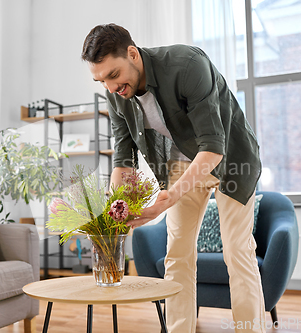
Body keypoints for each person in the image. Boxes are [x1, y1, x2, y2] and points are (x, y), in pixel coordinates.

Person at [81, 23, 266, 333]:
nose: (111, 87)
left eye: (114, 75)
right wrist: (115, 208)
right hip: (182, 160)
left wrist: (169, 197)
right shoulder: (115, 96)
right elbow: (123, 157)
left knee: (237, 252)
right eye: (101, 80)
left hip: (230, 158)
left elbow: (212, 147)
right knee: (177, 255)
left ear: (132, 54)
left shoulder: (187, 65)